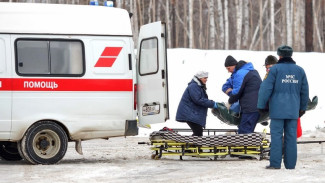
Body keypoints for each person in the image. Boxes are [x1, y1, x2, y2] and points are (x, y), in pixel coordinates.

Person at [257, 45, 309, 169]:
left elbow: (265, 89)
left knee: (276, 136)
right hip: (293, 110)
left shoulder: (274, 70)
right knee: (291, 137)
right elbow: (304, 91)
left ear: (279, 56)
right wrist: (302, 108)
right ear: (291, 55)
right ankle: (290, 165)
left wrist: (261, 106)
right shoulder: (300, 70)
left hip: (277, 110)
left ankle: (275, 164)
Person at [222, 55, 262, 134]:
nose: (228, 71)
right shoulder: (251, 70)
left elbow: (237, 92)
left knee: (244, 134)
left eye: (228, 68)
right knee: (247, 133)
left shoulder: (240, 73)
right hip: (256, 106)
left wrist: (230, 102)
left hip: (250, 107)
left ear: (234, 65)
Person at [176, 71, 218, 136]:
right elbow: (198, 100)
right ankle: (192, 145)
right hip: (189, 113)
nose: (206, 80)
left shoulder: (198, 86)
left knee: (198, 132)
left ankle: (193, 144)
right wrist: (213, 104)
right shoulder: (194, 86)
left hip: (192, 113)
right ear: (200, 78)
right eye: (205, 78)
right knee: (198, 132)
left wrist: (212, 104)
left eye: (207, 78)